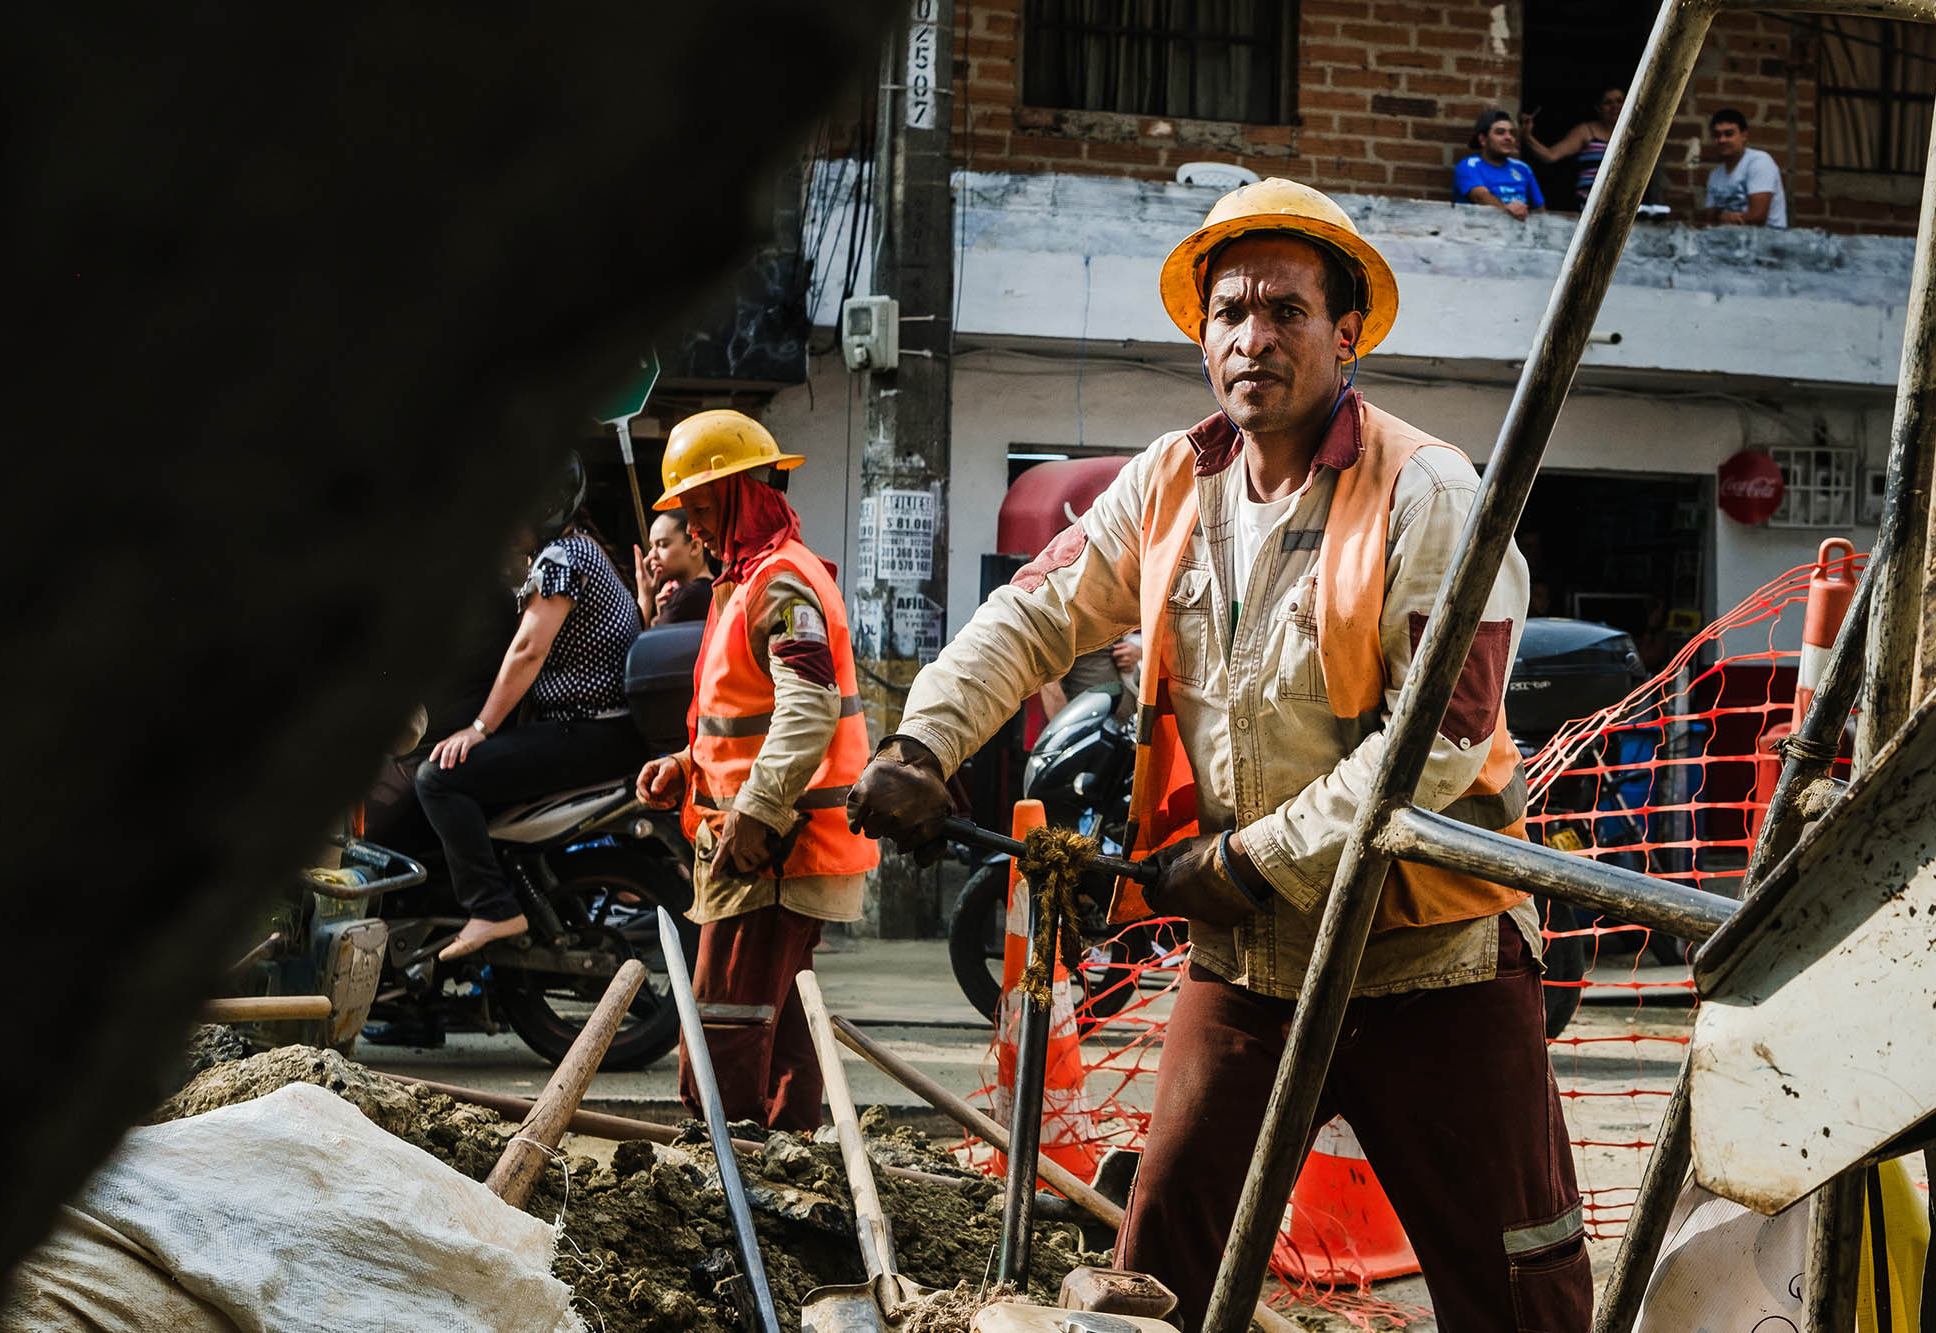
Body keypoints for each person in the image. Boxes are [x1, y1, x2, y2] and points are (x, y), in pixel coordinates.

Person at [846, 178, 1589, 1330]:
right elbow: (1032, 617)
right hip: (1249, 957)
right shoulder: (1168, 485)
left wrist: (1247, 860)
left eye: (1285, 310)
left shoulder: (1431, 494)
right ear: (1202, 337)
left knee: (1515, 1283)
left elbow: (1436, 744)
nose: (1252, 337)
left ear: (1346, 335)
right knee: (1155, 1269)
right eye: (1228, 311)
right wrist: (922, 738)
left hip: (1429, 954)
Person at [632, 409, 877, 1131]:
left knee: (728, 1017)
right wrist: (687, 765)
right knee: (783, 1016)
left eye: (702, 507)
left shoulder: (777, 582)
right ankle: (783, 1152)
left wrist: (756, 812)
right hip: (763, 836)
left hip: (774, 845)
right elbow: (751, 711)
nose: (695, 527)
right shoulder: (747, 579)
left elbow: (808, 710)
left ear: (742, 491)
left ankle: (728, 1157)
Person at [412, 453, 649, 961]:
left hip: (589, 733)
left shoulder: (560, 558)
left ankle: (493, 907)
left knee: (438, 779)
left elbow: (528, 651)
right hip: (603, 732)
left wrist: (479, 727)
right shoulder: (581, 550)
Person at [1520, 87, 1624, 208]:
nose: (1615, 106)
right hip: (1590, 205)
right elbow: (1550, 155)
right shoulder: (1586, 131)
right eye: (1608, 102)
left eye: (1619, 101)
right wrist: (1526, 136)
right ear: (1598, 108)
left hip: (1625, 204)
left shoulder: (1633, 133)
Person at [1702, 108, 1787, 228]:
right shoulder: (1715, 174)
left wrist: (1722, 217)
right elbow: (1709, 218)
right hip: (1731, 241)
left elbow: (1758, 217)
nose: (1722, 140)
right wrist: (1725, 217)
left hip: (1767, 240)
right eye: (1717, 135)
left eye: (1729, 134)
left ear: (1744, 135)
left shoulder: (1759, 162)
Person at [634, 507, 720, 627]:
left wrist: (645, 597)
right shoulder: (710, 589)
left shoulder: (687, 598)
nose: (651, 554)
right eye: (652, 546)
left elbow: (644, 645)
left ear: (695, 547)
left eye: (663, 545)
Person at [1454, 109, 1544, 220]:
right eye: (1500, 132)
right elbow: (1480, 197)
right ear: (1483, 139)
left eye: (1511, 133)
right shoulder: (1469, 165)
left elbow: (1540, 210)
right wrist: (1506, 209)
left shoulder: (1523, 168)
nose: (1509, 137)